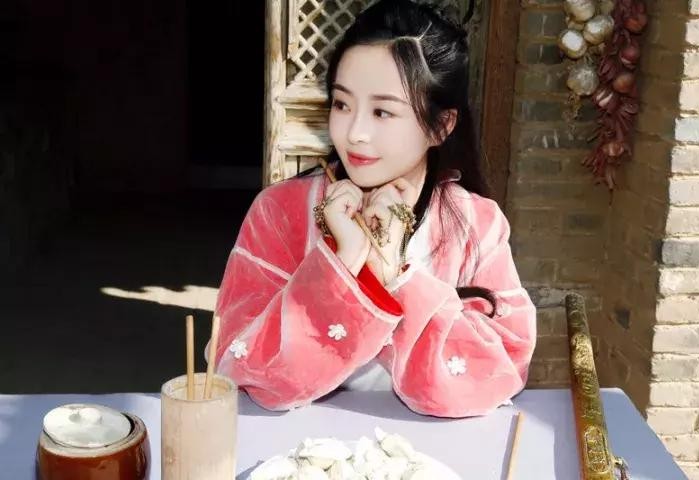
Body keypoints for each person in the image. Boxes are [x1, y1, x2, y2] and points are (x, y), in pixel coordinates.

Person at [209, 0, 536, 418]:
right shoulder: (279, 211)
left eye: (382, 111)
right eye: (342, 104)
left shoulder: (478, 223)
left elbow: (500, 371)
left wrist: (395, 276)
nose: (355, 133)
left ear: (441, 125)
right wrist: (340, 264)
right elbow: (237, 368)